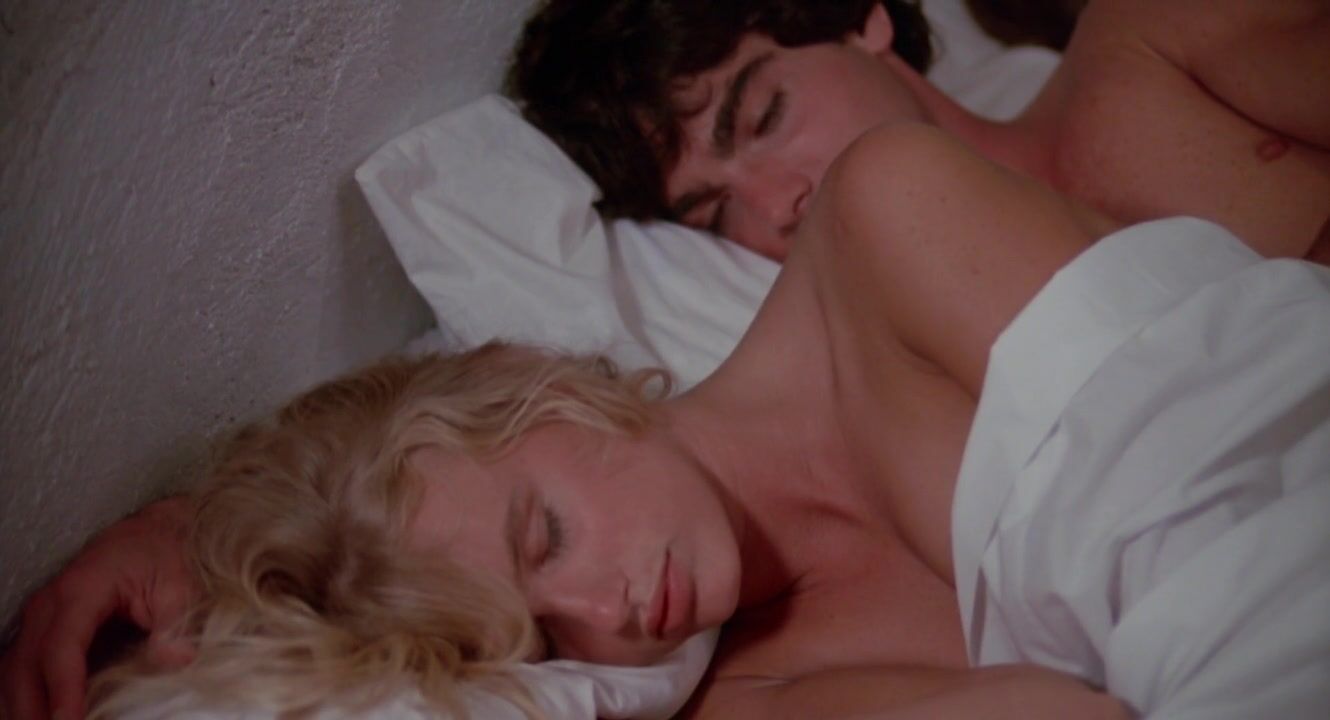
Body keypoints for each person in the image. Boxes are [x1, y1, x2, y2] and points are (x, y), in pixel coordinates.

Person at [6, 125, 1328, 718]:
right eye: (545, 635)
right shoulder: (747, 695)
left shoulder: (883, 224)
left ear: (547, 387)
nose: (609, 610)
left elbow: (1235, 440)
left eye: (545, 534)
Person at [507, 0, 1330, 263]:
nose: (775, 206)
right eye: (715, 214)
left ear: (862, 22)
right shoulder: (924, 370)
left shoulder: (1147, 43)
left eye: (764, 116)